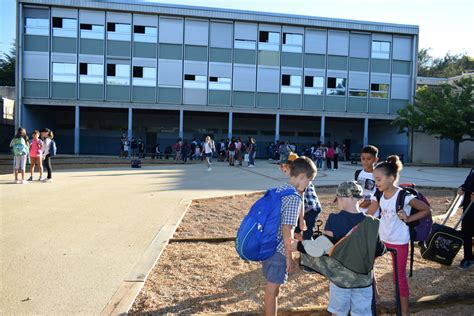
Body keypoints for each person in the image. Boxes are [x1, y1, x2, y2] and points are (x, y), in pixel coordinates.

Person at [367, 155, 430, 315]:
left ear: (392, 178)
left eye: (379, 179)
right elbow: (369, 214)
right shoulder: (379, 195)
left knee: (398, 277)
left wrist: (409, 218)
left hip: (399, 240)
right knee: (366, 266)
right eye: (375, 180)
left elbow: (425, 209)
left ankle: (404, 312)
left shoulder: (404, 196)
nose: (376, 183)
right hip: (381, 238)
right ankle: (376, 297)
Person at [319, 181, 385, 316]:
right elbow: (379, 250)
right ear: (360, 199)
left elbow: (326, 248)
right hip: (363, 278)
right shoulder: (371, 223)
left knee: (339, 312)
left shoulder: (333, 219)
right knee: (362, 312)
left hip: (340, 277)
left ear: (342, 199)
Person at [262, 157, 317, 316]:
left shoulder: (279, 190)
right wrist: (289, 257)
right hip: (279, 250)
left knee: (273, 288)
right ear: (301, 177)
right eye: (310, 180)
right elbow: (288, 230)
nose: (309, 184)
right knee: (273, 290)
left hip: (268, 245)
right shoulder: (293, 197)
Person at [356, 145, 380, 214]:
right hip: (359, 211)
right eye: (363, 158)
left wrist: (369, 202)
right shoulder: (358, 173)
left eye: (369, 159)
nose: (365, 161)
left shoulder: (379, 175)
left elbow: (380, 196)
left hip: (373, 214)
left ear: (376, 159)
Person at [458, 168, 474, 269]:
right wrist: (461, 188)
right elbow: (468, 183)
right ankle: (468, 258)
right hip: (469, 205)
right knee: (466, 232)